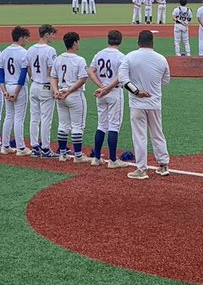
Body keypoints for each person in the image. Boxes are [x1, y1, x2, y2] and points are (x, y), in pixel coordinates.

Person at [120, 30, 172, 179]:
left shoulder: (130, 57)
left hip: (137, 104)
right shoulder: (161, 59)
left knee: (139, 136)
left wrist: (137, 92)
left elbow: (123, 79)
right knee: (157, 133)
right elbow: (166, 81)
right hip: (155, 103)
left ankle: (141, 169)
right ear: (152, 42)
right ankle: (163, 165)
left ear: (138, 42)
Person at [89, 29, 127, 167]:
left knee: (101, 124)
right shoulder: (121, 56)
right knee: (114, 126)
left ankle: (97, 158)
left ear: (108, 39)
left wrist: (101, 86)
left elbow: (90, 71)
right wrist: (108, 88)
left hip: (101, 92)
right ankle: (112, 160)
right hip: (113, 92)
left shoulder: (99, 54)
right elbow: (121, 76)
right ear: (120, 40)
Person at [51, 32, 89, 162]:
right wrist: (69, 91)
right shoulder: (79, 60)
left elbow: (53, 76)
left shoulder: (58, 59)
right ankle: (78, 155)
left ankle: (62, 154)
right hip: (74, 95)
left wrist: (56, 91)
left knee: (63, 124)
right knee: (77, 125)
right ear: (74, 43)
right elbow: (82, 79)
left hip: (61, 94)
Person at [0, 26, 30, 155]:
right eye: (26, 38)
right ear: (21, 38)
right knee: (19, 118)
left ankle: (5, 146)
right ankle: (21, 148)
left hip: (7, 85)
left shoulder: (4, 52)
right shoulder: (24, 52)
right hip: (19, 87)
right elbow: (23, 74)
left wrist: (4, 90)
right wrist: (16, 92)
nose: (27, 41)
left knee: (9, 116)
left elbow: (0, 74)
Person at [27, 24, 58, 157]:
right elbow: (52, 72)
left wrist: (33, 78)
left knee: (34, 118)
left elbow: (28, 68)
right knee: (46, 119)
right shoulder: (50, 50)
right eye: (52, 34)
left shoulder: (30, 49)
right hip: (46, 85)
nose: (54, 36)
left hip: (34, 85)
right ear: (46, 35)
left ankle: (35, 147)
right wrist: (54, 87)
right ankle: (45, 148)